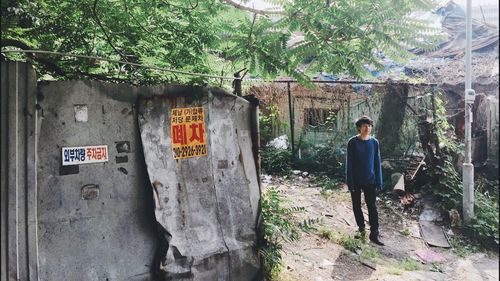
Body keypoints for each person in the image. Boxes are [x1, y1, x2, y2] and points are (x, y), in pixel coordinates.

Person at [345, 115, 384, 246]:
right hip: (356, 180)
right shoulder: (352, 142)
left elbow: (377, 162)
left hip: (370, 180)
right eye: (364, 126)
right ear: (359, 128)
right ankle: (361, 228)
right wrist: (349, 182)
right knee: (356, 206)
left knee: (372, 207)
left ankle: (374, 233)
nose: (367, 128)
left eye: (369, 126)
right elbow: (349, 163)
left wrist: (379, 180)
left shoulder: (374, 143)